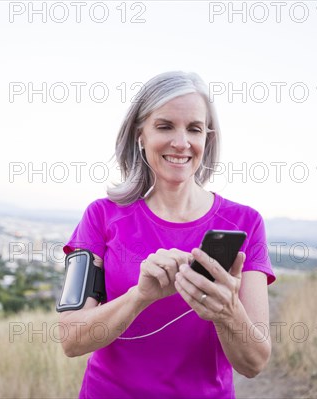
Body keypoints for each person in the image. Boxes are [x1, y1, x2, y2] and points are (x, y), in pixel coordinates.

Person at [58, 71, 276, 398]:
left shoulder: (245, 223)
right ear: (140, 135)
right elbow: (71, 340)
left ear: (207, 139)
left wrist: (226, 311)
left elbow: (254, 364)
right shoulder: (101, 216)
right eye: (164, 126)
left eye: (194, 129)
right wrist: (140, 296)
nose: (181, 142)